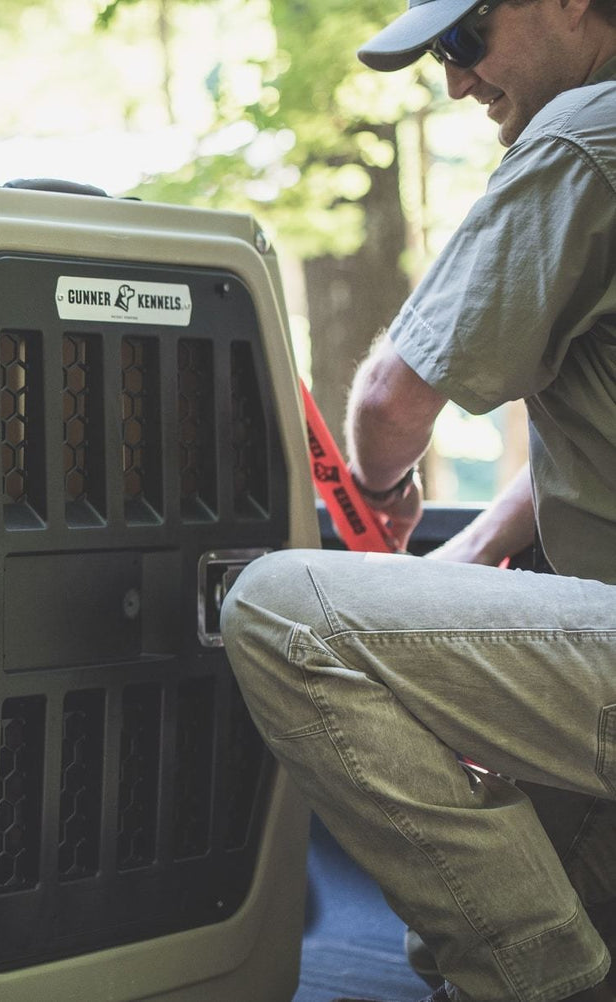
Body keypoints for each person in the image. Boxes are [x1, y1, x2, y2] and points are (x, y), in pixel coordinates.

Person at [218, 0, 616, 1000]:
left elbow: (392, 399)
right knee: (453, 937)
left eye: (464, 39)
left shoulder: (583, 139)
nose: (457, 79)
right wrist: (480, 543)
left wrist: (383, 490)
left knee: (280, 610)